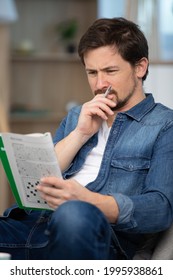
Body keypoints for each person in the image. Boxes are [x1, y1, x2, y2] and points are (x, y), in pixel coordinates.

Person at [1, 17, 173, 260]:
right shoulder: (77, 116)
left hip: (97, 235)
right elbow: (39, 183)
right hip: (34, 227)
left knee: (73, 214)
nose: (100, 84)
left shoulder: (165, 125)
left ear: (140, 67)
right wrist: (80, 134)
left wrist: (87, 200)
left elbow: (159, 209)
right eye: (92, 72)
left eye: (110, 71)